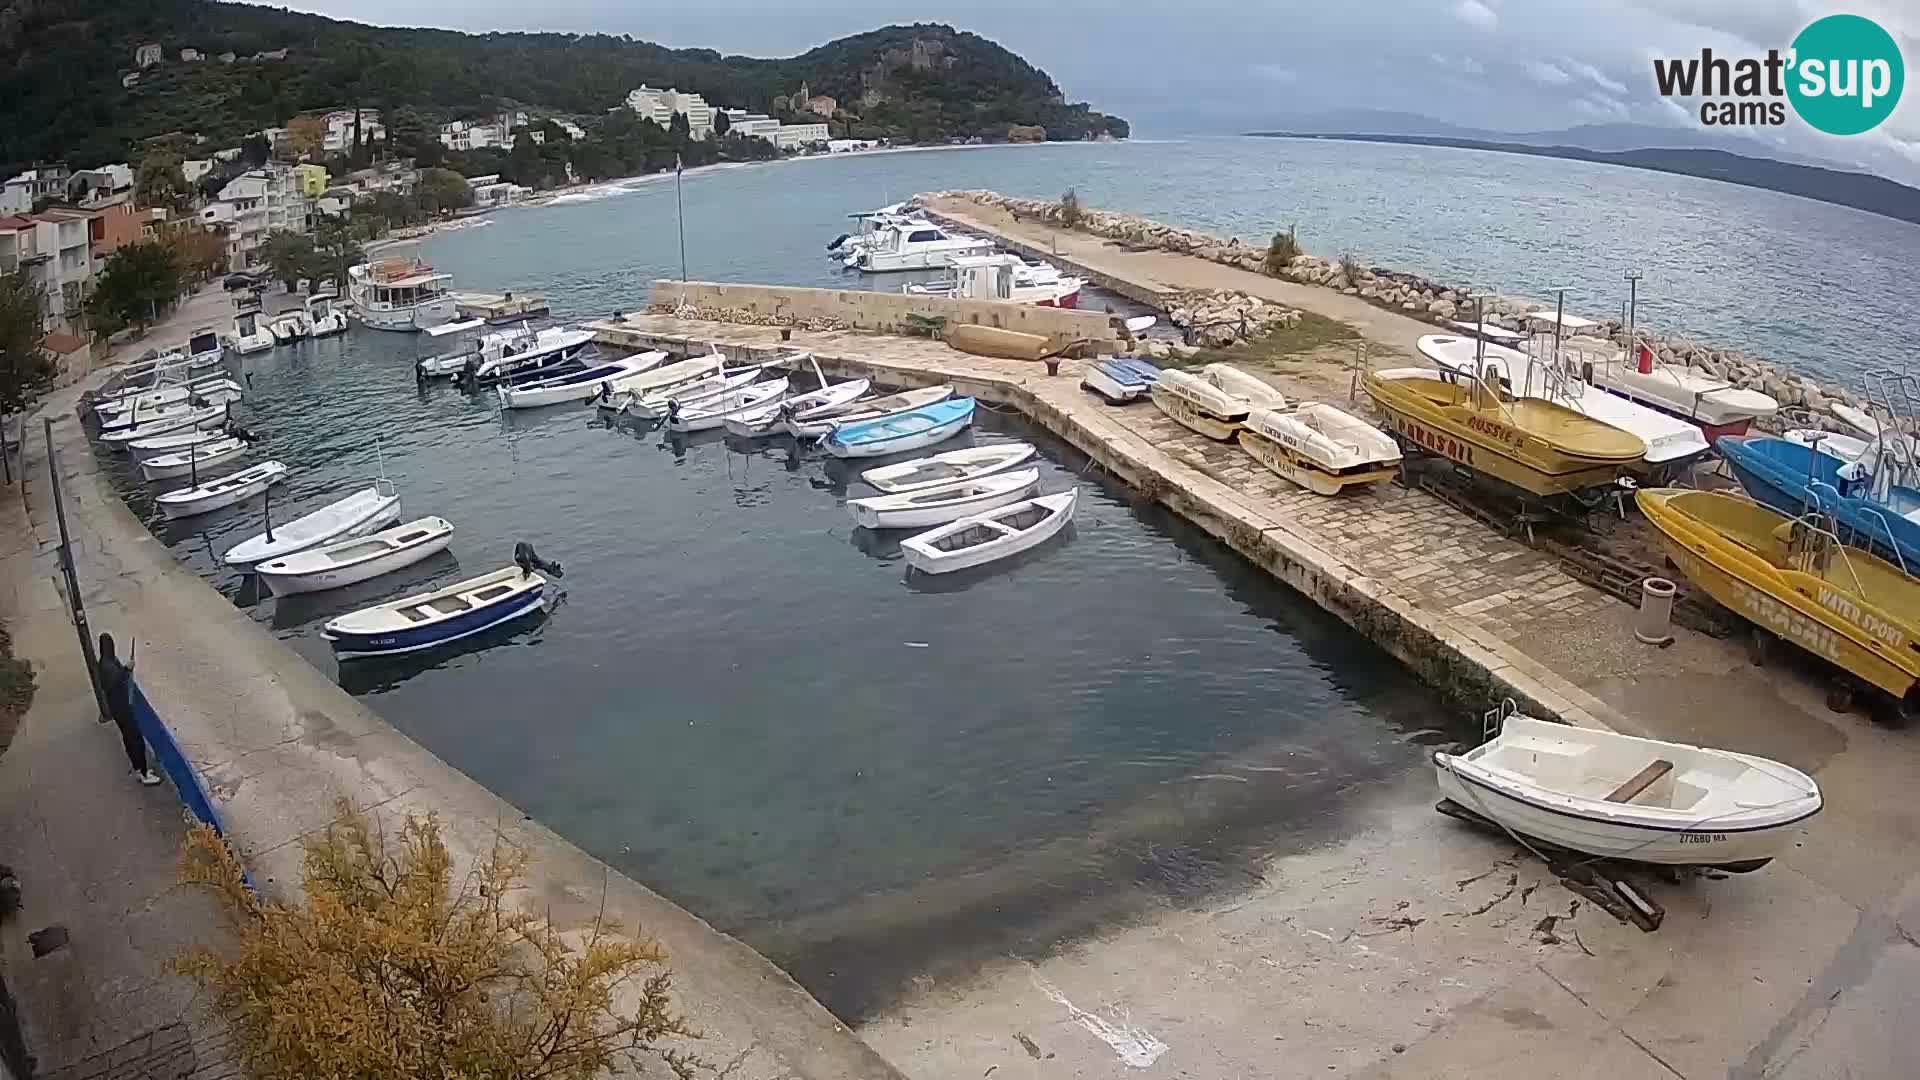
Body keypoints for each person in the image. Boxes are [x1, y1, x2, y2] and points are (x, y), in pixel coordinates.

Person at [96, 634, 160, 786]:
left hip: (119, 708)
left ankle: (139, 769)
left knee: (129, 739)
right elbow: (116, 679)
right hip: (122, 709)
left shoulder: (106, 662)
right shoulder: (107, 666)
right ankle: (144, 774)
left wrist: (126, 668)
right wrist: (126, 669)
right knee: (136, 740)